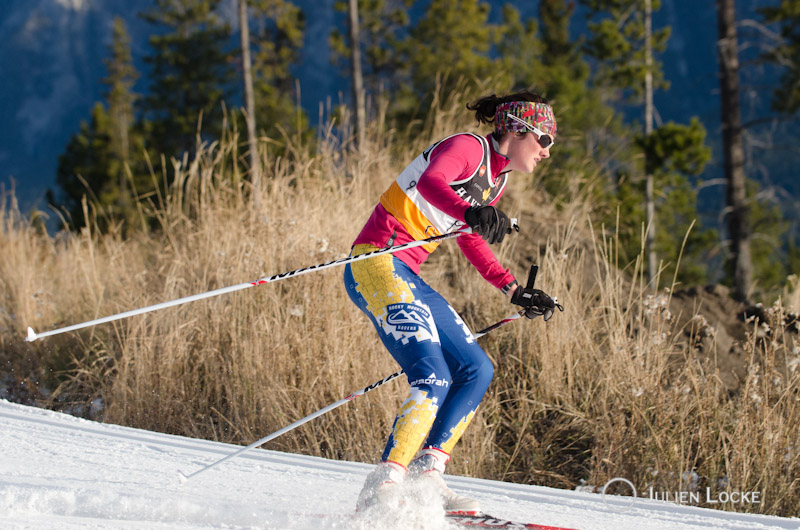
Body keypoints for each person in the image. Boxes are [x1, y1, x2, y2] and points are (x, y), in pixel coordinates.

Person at [343, 90, 561, 515]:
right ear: (518, 130)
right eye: (545, 140)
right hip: (377, 261)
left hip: (408, 273)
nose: (547, 153)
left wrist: (514, 290)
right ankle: (384, 482)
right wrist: (471, 211)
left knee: (476, 369)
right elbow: (432, 183)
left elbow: (470, 238)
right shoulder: (467, 147)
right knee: (433, 376)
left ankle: (427, 477)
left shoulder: (497, 180)